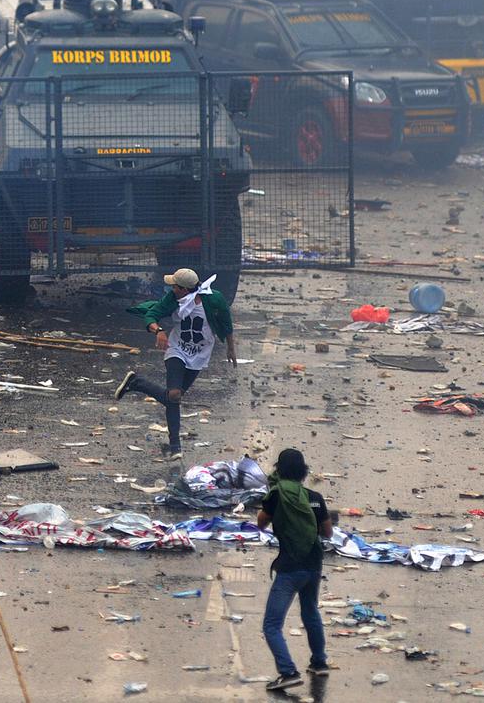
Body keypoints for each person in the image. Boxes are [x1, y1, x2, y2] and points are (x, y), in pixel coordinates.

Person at [117, 268, 236, 458]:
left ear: (184, 289)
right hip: (177, 349)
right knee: (173, 394)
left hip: (199, 354)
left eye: (174, 286)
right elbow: (152, 315)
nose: (171, 289)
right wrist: (159, 331)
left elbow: (226, 323)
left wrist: (231, 348)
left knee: (174, 398)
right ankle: (175, 447)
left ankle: (136, 382)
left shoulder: (214, 299)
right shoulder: (173, 298)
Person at [256, 449, 333, 691]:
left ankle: (288, 672)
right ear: (303, 472)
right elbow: (328, 532)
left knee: (271, 624)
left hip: (290, 567)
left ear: (279, 471)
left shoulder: (277, 496)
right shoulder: (315, 497)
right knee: (310, 611)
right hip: (313, 564)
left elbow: (261, 523)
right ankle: (319, 663)